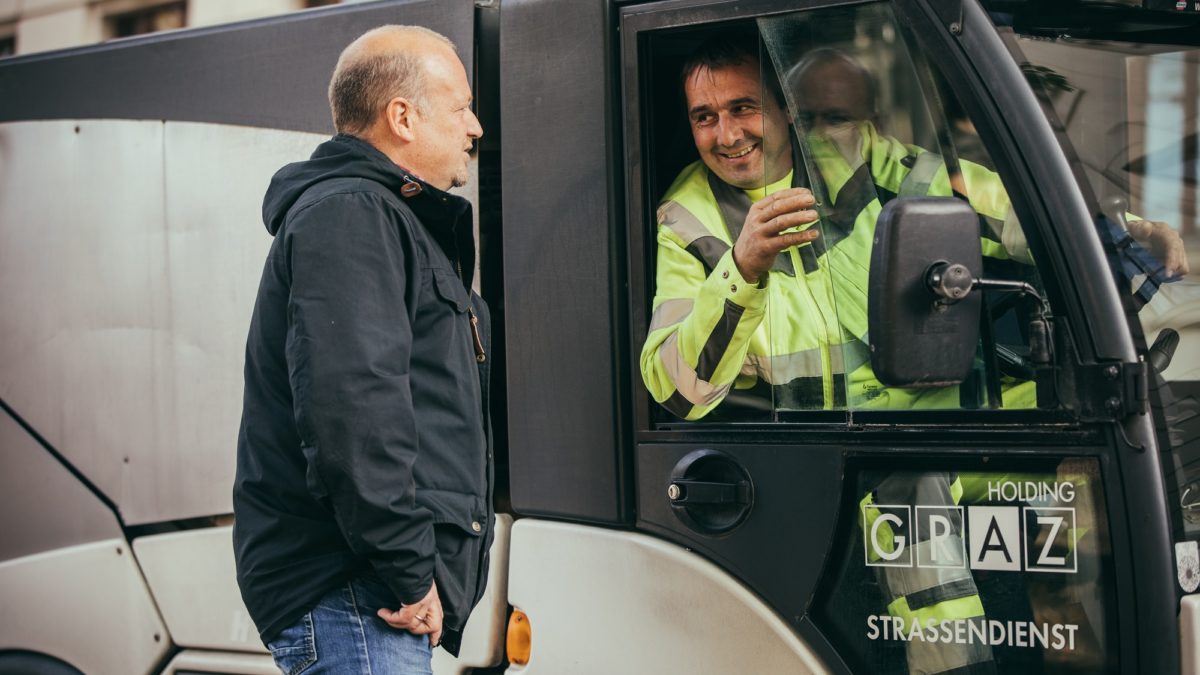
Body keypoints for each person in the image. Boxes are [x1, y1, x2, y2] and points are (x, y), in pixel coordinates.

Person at [232, 25, 491, 674]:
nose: (476, 126)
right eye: (460, 106)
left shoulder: (384, 217)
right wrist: (408, 567)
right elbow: (354, 407)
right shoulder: (351, 213)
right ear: (402, 116)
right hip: (359, 593)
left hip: (366, 590)